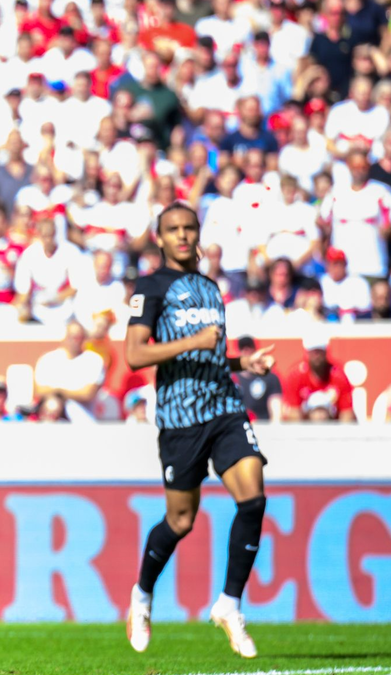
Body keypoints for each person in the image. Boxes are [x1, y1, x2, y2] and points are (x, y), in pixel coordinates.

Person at [124, 204, 276, 659]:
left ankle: (229, 604)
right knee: (181, 520)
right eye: (173, 229)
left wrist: (240, 362)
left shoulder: (210, 287)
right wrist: (193, 341)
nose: (183, 235)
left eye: (189, 227)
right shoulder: (150, 287)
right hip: (180, 418)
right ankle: (141, 596)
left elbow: (209, 353)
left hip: (224, 406)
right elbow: (134, 354)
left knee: (253, 496)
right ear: (160, 238)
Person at [281, 333, 356, 422]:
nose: (316, 355)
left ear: (326, 352)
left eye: (319, 351)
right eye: (313, 352)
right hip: (305, 424)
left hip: (332, 424)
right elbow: (293, 412)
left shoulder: (338, 376)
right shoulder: (296, 376)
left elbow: (347, 413)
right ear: (307, 353)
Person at [232, 336, 283, 423]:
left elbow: (276, 413)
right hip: (236, 426)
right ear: (238, 351)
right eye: (242, 348)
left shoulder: (270, 378)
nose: (246, 352)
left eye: (249, 348)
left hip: (262, 427)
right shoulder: (230, 378)